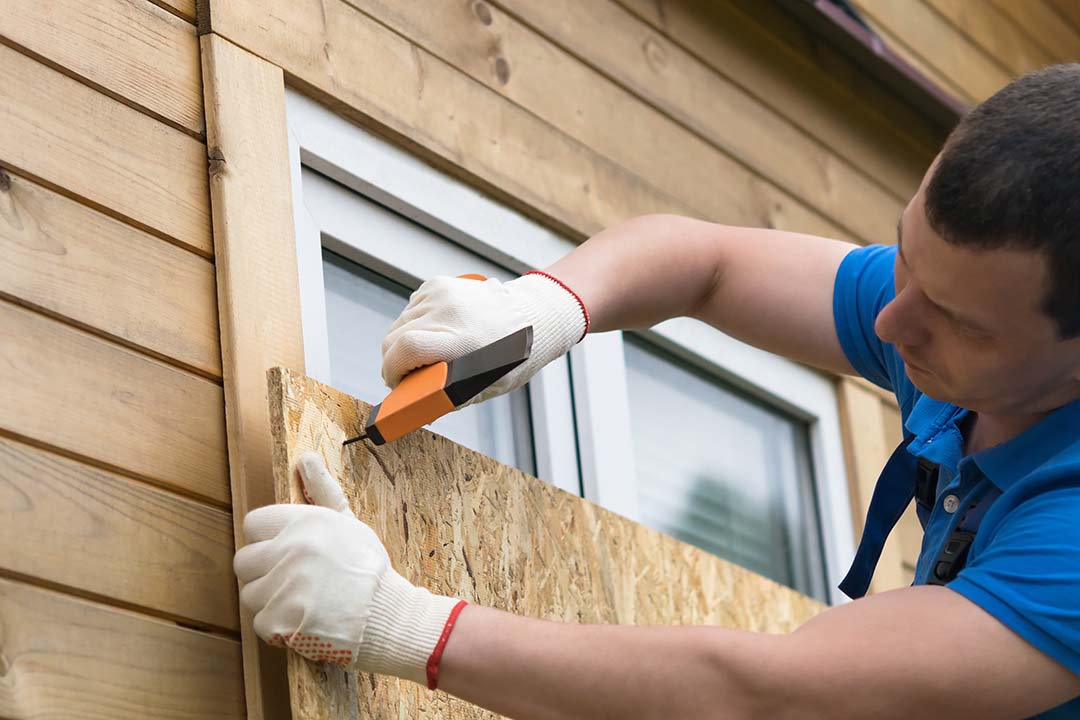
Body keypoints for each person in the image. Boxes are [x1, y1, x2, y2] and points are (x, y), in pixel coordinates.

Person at [234, 65, 1080, 718]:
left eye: (960, 325)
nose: (891, 324)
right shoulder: (941, 305)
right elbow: (706, 265)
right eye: (904, 253)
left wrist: (399, 624)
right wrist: (548, 305)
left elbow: (765, 698)